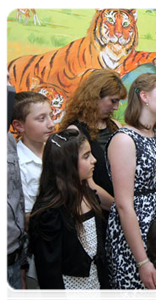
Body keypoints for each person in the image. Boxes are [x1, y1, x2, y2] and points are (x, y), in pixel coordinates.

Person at [106, 73, 156, 300]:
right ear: (144, 97)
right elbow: (125, 205)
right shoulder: (124, 139)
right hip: (135, 240)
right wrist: (142, 260)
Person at [28, 129, 110, 300]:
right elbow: (49, 271)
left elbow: (98, 253)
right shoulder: (49, 212)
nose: (94, 160)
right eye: (86, 156)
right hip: (68, 293)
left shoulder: (89, 196)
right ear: (67, 163)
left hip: (93, 289)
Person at [59, 69, 127, 211]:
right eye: (113, 101)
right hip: (98, 211)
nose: (116, 107)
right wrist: (120, 209)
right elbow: (86, 184)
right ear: (95, 96)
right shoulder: (75, 131)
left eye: (118, 102)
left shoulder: (116, 125)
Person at [11, 91, 55, 299]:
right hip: (33, 254)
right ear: (19, 126)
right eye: (41, 118)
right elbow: (26, 218)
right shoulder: (18, 164)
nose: (51, 124)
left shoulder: (55, 153)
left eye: (51, 115)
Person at [5, 66, 26, 300]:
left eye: (8, 79)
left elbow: (16, 198)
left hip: (11, 262)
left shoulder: (8, 138)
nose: (8, 86)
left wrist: (21, 267)